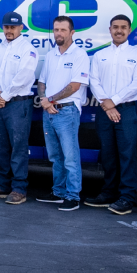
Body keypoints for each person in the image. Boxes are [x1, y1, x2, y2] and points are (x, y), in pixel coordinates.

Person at [87, 14, 137, 215]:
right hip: (105, 110)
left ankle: (127, 197)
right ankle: (108, 193)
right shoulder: (100, 55)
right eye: (115, 27)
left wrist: (114, 101)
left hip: (127, 109)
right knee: (108, 154)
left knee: (127, 154)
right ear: (110, 29)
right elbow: (93, 80)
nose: (119, 30)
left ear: (129, 30)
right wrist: (107, 104)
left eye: (123, 27)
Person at [34, 16, 90, 211]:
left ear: (72, 32)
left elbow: (75, 85)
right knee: (55, 156)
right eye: (56, 29)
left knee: (70, 156)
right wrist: (44, 99)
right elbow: (42, 82)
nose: (58, 33)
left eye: (63, 30)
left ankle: (73, 196)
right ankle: (58, 192)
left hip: (67, 112)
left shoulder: (80, 55)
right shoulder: (50, 55)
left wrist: (50, 100)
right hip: (49, 112)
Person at [0, 12, 37, 204]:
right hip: (0, 104)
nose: (9, 30)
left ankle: (19, 188)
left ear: (21, 27)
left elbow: (24, 76)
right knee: (1, 147)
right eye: (6, 27)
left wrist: (3, 96)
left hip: (17, 104)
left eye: (13, 27)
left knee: (18, 147)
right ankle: (3, 185)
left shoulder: (28, 49)